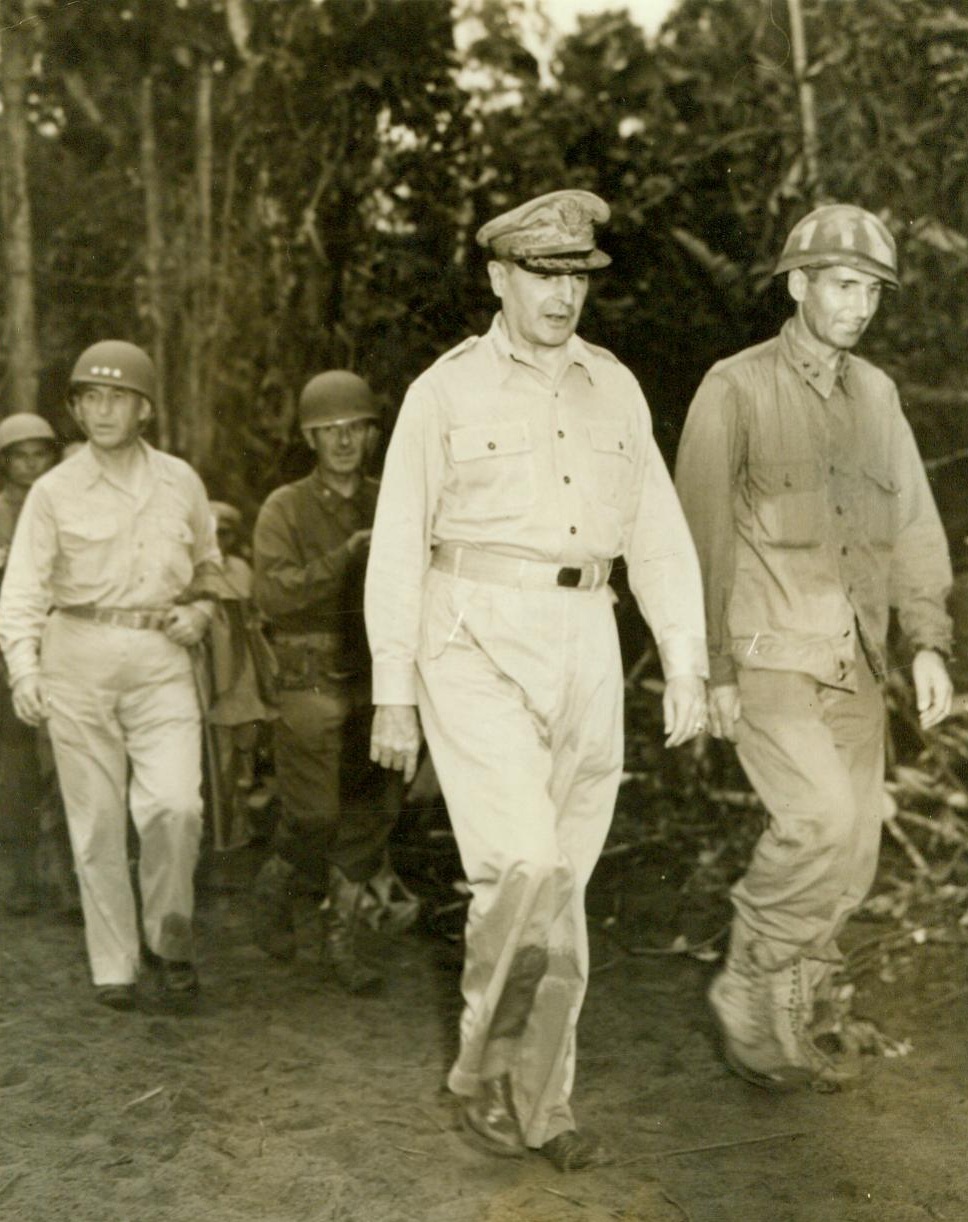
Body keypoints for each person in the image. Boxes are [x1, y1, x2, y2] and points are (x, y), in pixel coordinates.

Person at [364, 190, 708, 1170]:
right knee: (521, 866)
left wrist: (683, 658)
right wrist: (393, 685)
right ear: (497, 278)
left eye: (575, 277)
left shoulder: (615, 388)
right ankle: (485, 1073)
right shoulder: (445, 392)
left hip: (585, 637)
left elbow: (656, 533)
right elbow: (395, 540)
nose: (561, 296)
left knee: (559, 889)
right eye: (541, 275)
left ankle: (539, 1099)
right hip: (470, 633)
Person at [674, 204, 954, 1091]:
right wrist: (708, 668)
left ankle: (799, 1012)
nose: (860, 304)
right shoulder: (736, 388)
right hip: (769, 653)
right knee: (819, 822)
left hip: (859, 660)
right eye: (843, 284)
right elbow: (698, 537)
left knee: (858, 841)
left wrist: (928, 643)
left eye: (873, 289)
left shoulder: (878, 396)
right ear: (797, 285)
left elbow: (913, 523)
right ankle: (751, 980)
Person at [0, 341, 223, 1012]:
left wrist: (204, 609)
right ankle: (115, 964)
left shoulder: (180, 481)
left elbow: (210, 562)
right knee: (95, 819)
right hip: (78, 657)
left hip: (160, 658)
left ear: (144, 408)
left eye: (117, 397)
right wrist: (23, 670)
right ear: (74, 408)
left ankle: (167, 937)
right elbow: (22, 590)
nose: (101, 410)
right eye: (88, 398)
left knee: (176, 808)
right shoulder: (52, 492)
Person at [250, 370, 413, 993]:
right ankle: (278, 878)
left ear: (371, 435)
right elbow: (272, 595)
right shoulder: (285, 508)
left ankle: (342, 938)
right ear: (310, 440)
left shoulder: (393, 498)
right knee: (315, 815)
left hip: (380, 675)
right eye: (329, 432)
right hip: (310, 675)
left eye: (355, 429)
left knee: (374, 810)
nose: (343, 442)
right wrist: (344, 556)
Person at [0, 412, 74, 915]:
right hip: (8, 652)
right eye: (20, 455)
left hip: (64, 647)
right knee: (16, 770)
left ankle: (70, 878)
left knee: (69, 766)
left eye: (40, 453)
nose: (31, 465)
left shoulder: (67, 505)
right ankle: (22, 877)